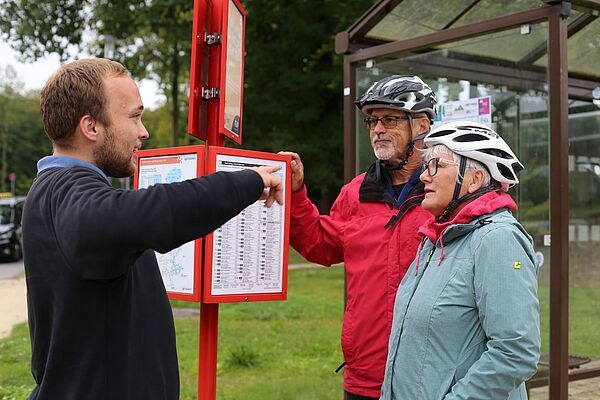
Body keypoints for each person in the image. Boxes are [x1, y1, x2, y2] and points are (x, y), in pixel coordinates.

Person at [22, 58, 283, 400]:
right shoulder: (66, 190)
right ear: (91, 127)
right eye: (134, 116)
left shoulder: (61, 191)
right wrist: (247, 182)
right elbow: (142, 215)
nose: (143, 131)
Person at [281, 75, 436, 399]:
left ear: (422, 125)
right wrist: (296, 194)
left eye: (390, 119)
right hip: (366, 375)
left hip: (432, 373)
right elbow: (320, 245)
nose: (377, 129)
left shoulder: (446, 193)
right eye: (372, 120)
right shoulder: (355, 193)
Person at [379, 121, 540, 400]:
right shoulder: (436, 239)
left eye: (436, 166)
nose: (423, 177)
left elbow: (516, 351)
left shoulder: (497, 239)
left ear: (474, 179)